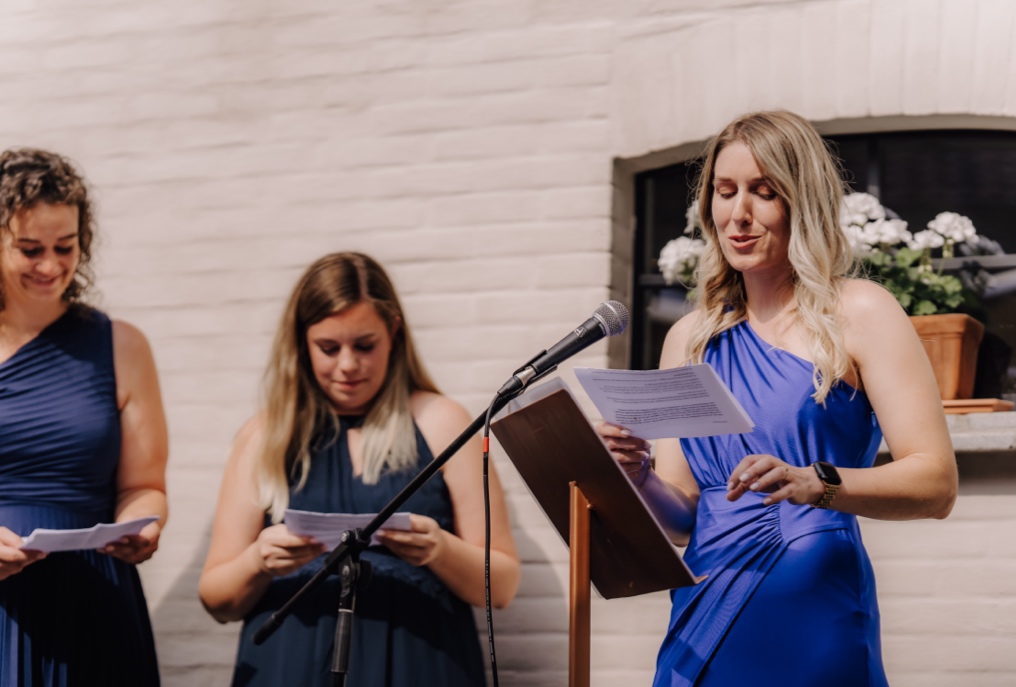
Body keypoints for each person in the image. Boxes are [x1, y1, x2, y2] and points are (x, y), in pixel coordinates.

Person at [598, 110, 959, 687]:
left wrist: (818, 482)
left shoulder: (861, 312)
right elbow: (684, 517)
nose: (737, 213)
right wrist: (638, 474)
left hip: (817, 619)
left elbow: (936, 483)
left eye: (763, 192)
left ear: (802, 201)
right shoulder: (688, 338)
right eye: (724, 191)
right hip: (705, 611)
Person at [198, 252, 522, 686]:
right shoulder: (265, 437)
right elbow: (217, 600)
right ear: (300, 342)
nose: (347, 365)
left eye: (364, 346)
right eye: (328, 348)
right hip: (289, 663)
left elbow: (501, 586)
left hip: (420, 662)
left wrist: (439, 549)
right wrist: (258, 560)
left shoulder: (442, 422)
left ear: (393, 331)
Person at [0, 148, 169, 684]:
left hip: (95, 597)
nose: (51, 266)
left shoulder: (121, 345)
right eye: (30, 249)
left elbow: (144, 484)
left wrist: (145, 524)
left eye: (65, 247)